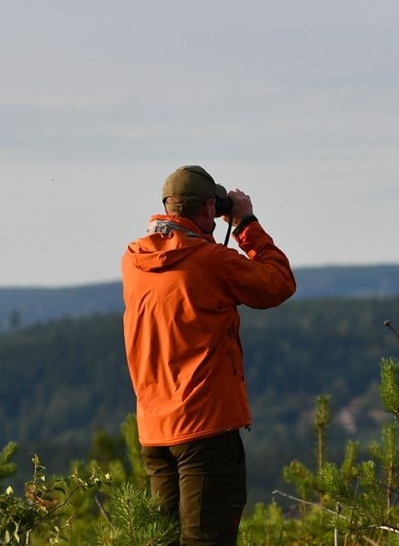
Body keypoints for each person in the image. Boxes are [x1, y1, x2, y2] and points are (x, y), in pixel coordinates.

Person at [121, 164, 297, 545]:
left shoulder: (133, 261)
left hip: (154, 433)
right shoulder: (211, 262)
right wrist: (245, 221)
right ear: (206, 210)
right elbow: (278, 284)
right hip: (205, 429)